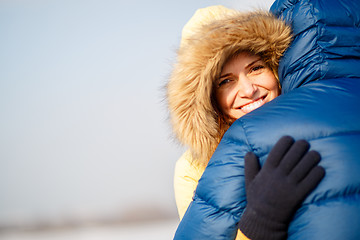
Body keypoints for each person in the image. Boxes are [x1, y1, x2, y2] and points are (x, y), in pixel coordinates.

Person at [172, 0, 360, 239]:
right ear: (208, 98)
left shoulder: (322, 126)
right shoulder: (193, 168)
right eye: (226, 81)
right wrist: (260, 223)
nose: (249, 90)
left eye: (255, 68)